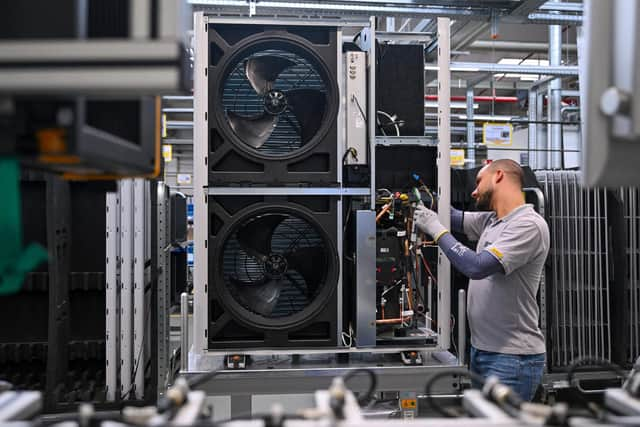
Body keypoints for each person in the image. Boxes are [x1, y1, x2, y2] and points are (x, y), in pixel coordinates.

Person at [413, 159, 549, 401]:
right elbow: (451, 216)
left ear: (498, 176)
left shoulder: (528, 226)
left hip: (512, 359)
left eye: (478, 182)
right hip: (483, 352)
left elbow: (475, 266)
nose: (474, 191)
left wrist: (435, 228)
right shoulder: (492, 221)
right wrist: (417, 196)